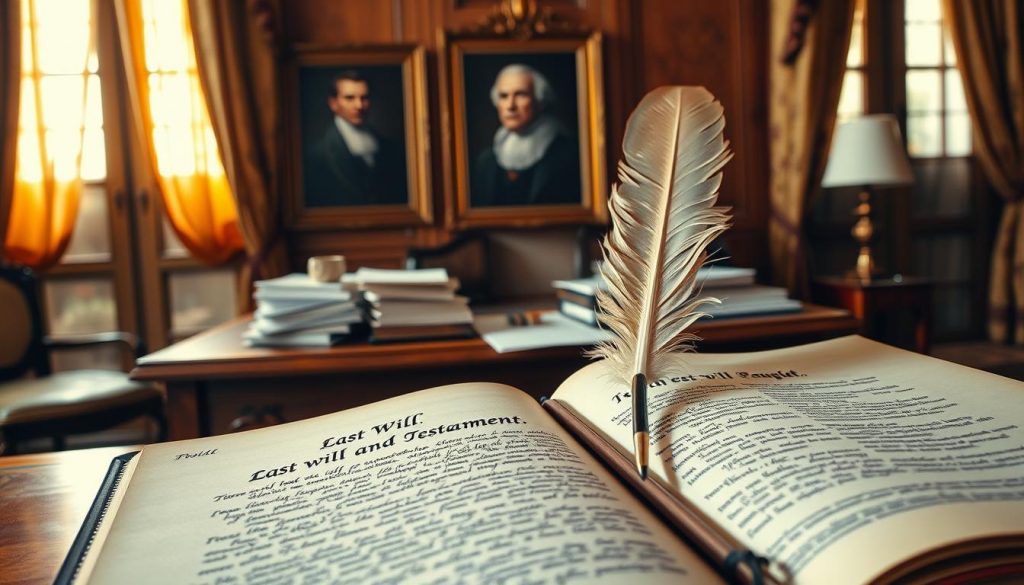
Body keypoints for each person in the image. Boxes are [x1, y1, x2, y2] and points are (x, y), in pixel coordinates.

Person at [470, 64, 582, 207]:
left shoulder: (568, 153)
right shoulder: (486, 161)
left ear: (540, 101)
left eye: (521, 94)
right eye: (503, 96)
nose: (510, 106)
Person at [304, 70, 408, 207]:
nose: (359, 106)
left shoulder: (391, 148)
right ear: (333, 103)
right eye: (349, 98)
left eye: (364, 98)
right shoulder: (316, 155)